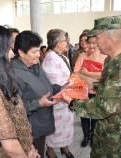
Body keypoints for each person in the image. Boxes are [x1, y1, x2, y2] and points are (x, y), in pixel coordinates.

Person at [62, 15, 121, 158]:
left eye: (97, 39)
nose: (94, 44)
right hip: (108, 127)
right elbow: (108, 86)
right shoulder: (113, 60)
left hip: (116, 134)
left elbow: (104, 107)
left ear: (109, 38)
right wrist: (80, 87)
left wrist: (71, 102)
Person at [0, 24, 39, 157]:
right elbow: (9, 145)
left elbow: (17, 115)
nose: (12, 53)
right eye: (8, 48)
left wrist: (29, 146)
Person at [11, 31, 60, 157]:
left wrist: (62, 88)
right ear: (21, 53)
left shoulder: (35, 65)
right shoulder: (13, 74)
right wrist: (38, 103)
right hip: (29, 129)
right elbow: (13, 108)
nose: (38, 55)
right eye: (34, 52)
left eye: (39, 50)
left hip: (42, 123)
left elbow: (46, 87)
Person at [42, 29, 74, 158]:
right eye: (65, 40)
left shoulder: (63, 56)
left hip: (67, 99)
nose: (67, 42)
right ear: (57, 42)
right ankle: (49, 150)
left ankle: (64, 147)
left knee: (65, 128)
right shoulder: (50, 58)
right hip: (58, 103)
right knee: (55, 130)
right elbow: (53, 85)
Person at [74, 35, 107, 147]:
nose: (92, 45)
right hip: (82, 91)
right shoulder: (82, 56)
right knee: (84, 116)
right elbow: (75, 72)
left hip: (97, 92)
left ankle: (93, 136)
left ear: (98, 44)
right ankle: (86, 136)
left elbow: (104, 76)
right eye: (89, 43)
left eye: (94, 43)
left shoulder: (104, 57)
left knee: (94, 117)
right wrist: (95, 76)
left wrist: (85, 73)